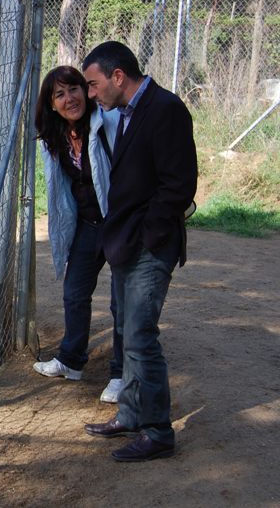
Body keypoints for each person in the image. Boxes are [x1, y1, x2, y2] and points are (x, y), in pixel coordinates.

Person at [81, 41, 197, 462]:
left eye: (93, 85)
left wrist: (149, 236)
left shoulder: (165, 109)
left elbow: (179, 185)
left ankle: (158, 431)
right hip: (129, 243)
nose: (91, 94)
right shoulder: (127, 113)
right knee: (127, 332)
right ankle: (130, 415)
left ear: (117, 76)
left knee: (141, 337)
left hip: (150, 245)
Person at [32, 65, 124, 404]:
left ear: (86, 90)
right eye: (60, 94)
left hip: (118, 223)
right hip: (88, 224)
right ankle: (71, 362)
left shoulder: (107, 124)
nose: (69, 98)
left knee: (121, 301)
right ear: (52, 104)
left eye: (74, 89)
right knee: (74, 292)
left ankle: (121, 374)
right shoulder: (54, 138)